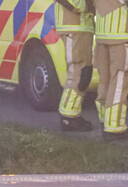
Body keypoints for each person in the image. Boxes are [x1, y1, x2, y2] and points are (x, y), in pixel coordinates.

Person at [94, 0, 128, 140]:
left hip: (101, 34)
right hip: (121, 34)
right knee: (120, 81)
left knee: (104, 80)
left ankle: (105, 121)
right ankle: (114, 128)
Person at [57, 0, 97, 132]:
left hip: (81, 26)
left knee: (82, 72)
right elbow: (75, 4)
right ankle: (68, 116)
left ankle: (72, 113)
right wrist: (89, 5)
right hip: (74, 26)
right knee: (78, 72)